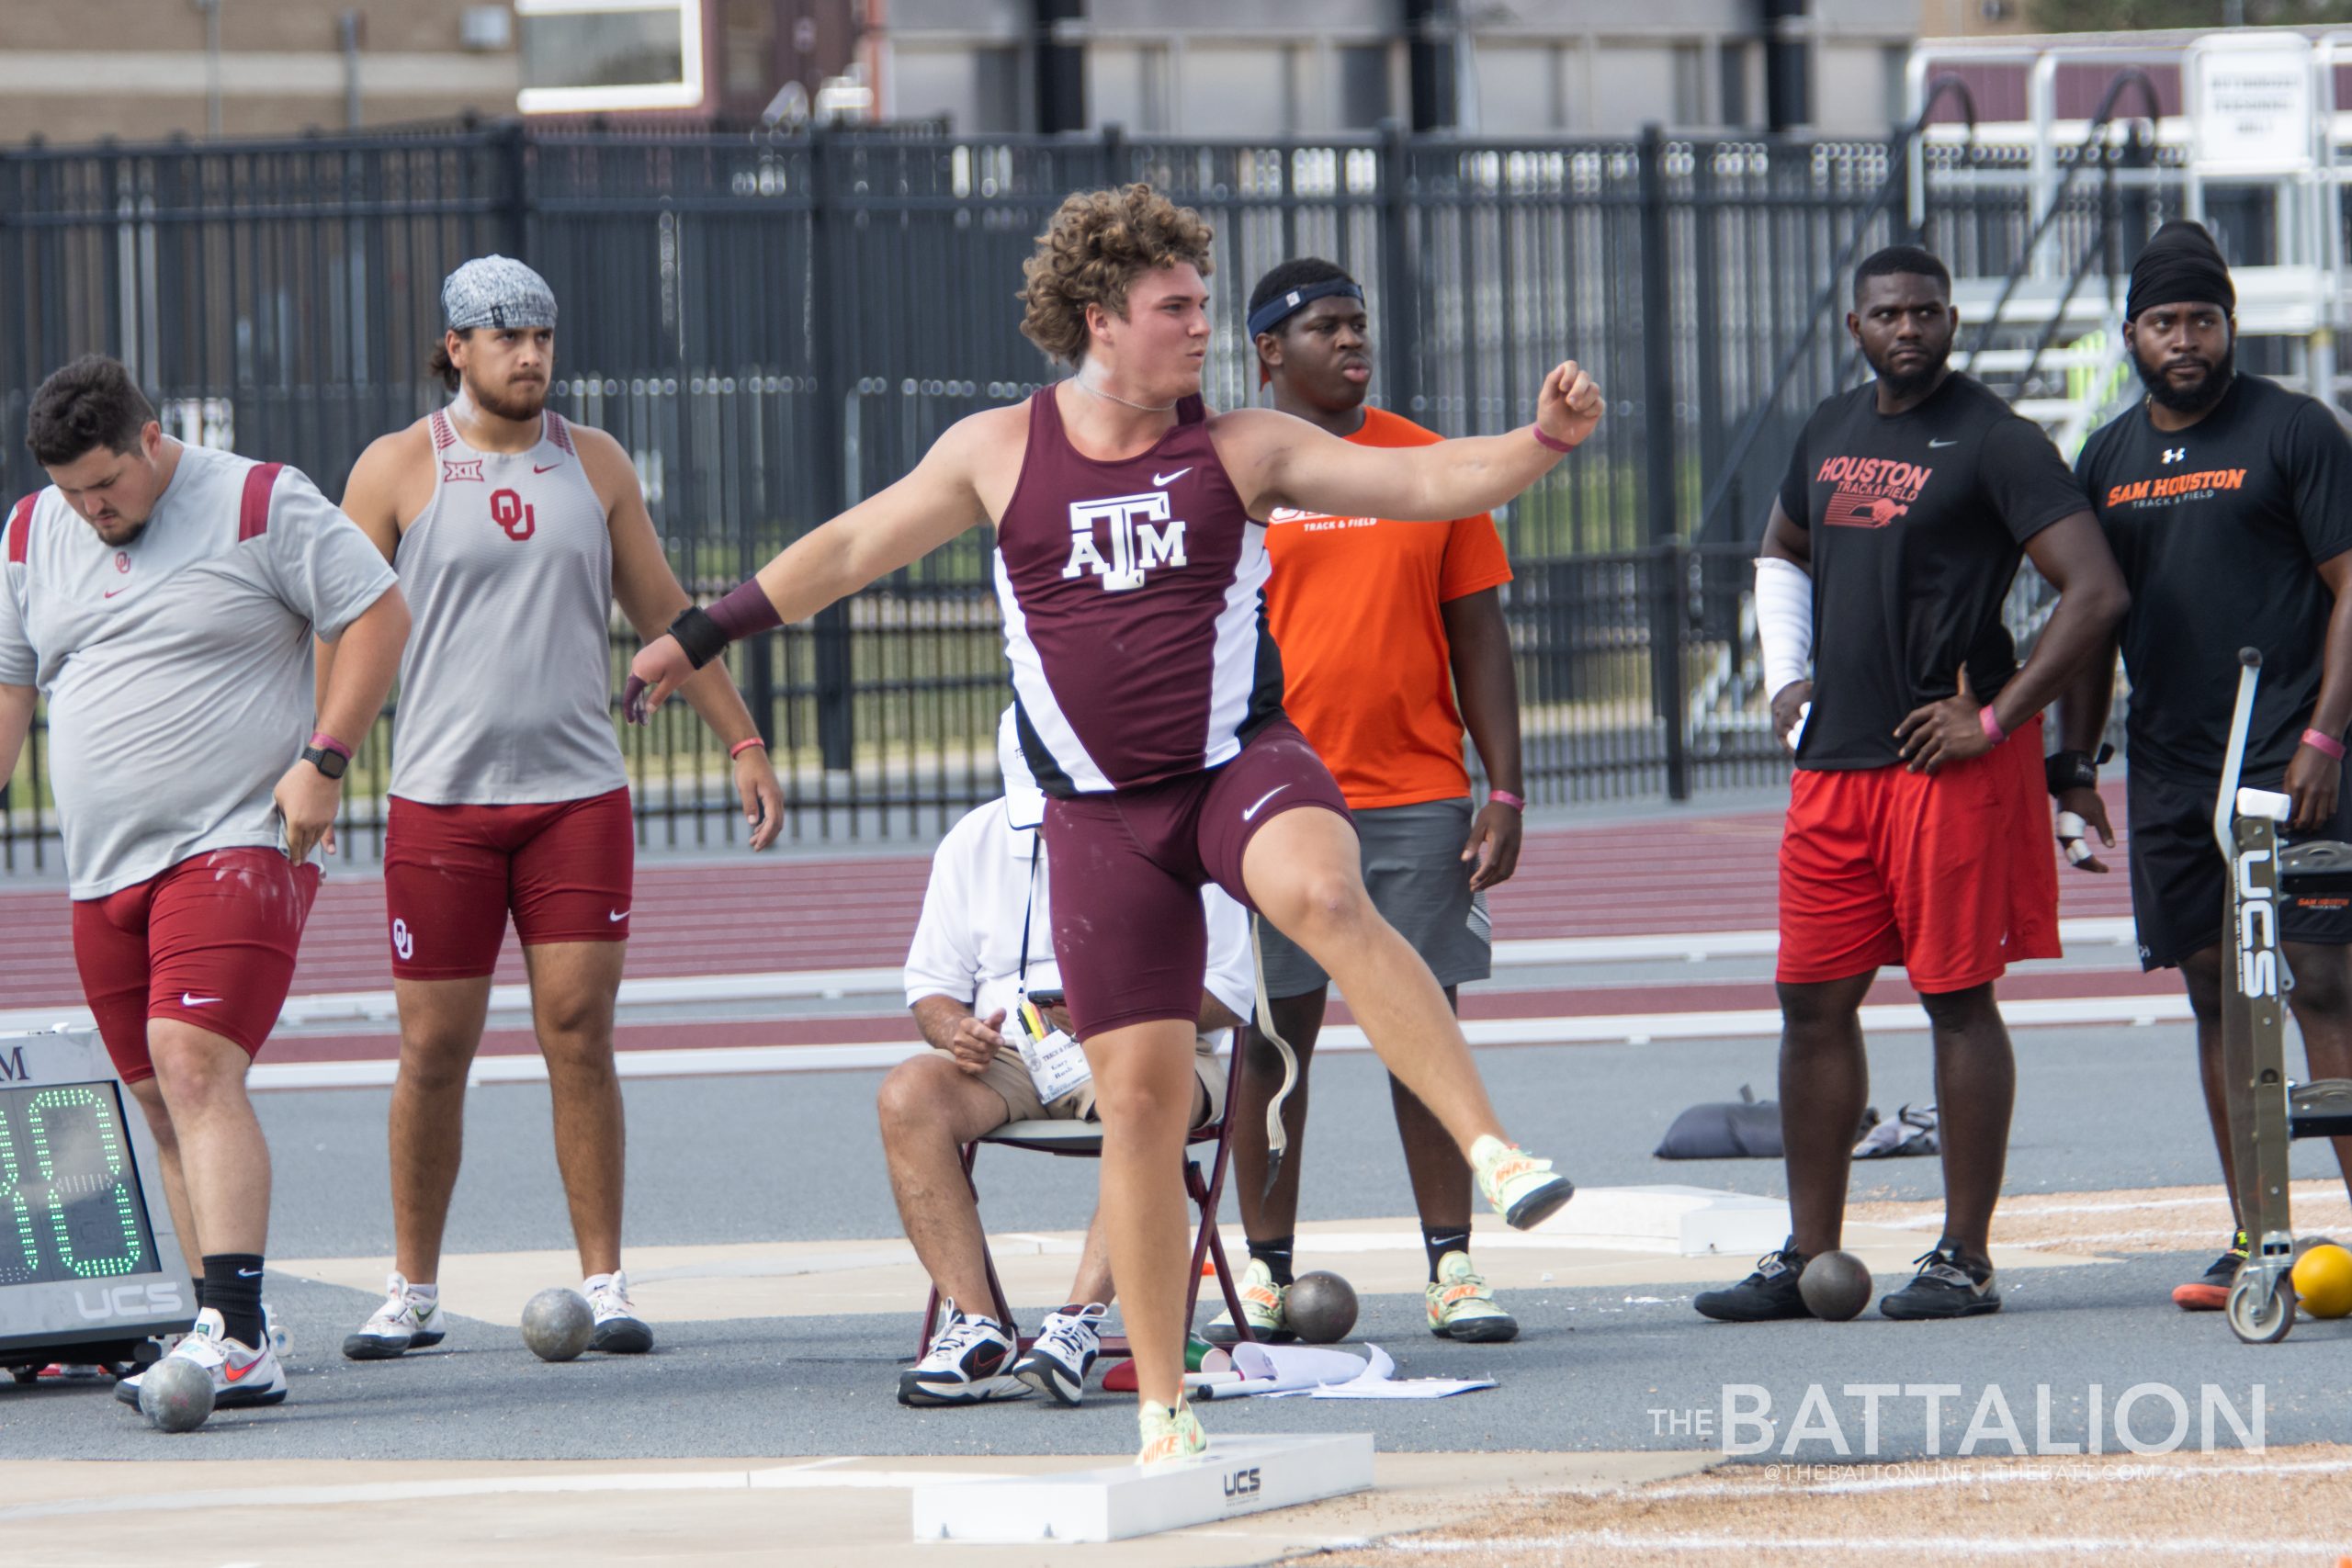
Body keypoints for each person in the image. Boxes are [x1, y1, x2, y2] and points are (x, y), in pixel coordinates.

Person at [624, 184, 1590, 1462]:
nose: (1203, 326)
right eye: (1176, 306)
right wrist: (693, 636)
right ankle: (1159, 1408)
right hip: (1100, 816)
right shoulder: (1000, 449)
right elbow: (848, 548)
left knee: (1324, 893)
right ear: (1100, 320)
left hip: (1236, 765)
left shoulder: (1246, 446)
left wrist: (1541, 444)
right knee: (1136, 1105)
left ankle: (1494, 1148)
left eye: (1204, 301)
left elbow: (1423, 480)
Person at [331, 257, 785, 1361]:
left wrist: (742, 736)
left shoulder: (595, 463)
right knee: (433, 1049)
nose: (530, 354)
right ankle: (412, 1290)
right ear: (456, 349)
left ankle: (607, 1280)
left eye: (542, 334)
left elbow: (669, 610)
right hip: (440, 802)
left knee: (578, 1035)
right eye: (504, 338)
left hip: (576, 798)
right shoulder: (395, 469)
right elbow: (337, 631)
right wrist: (319, 757)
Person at [1702, 244, 2129, 1325]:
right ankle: (1806, 1251)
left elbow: (2094, 594)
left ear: (1950, 320)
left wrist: (1994, 718)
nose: (1908, 328)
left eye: (1927, 312)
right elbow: (1781, 549)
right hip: (1835, 765)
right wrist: (1785, 672)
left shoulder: (1996, 439)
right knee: (1810, 1002)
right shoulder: (1831, 429)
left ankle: (1963, 1256)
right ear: (1857, 326)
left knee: (1953, 998)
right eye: (1888, 313)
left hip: (1947, 765)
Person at [0, 355, 408, 1410]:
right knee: (154, 1093)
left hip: (235, 841)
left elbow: (376, 613)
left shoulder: (258, 499)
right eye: (71, 492)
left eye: (107, 485)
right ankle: (231, 1328)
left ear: (149, 440)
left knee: (193, 1065)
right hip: (103, 865)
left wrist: (325, 758)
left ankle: (230, 1326)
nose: (92, 510)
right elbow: (10, 684)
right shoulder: (29, 531)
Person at [1208, 257, 1525, 1347]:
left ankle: (1451, 1269)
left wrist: (1506, 786)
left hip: (1416, 792)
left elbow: (1480, 630)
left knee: (1420, 1027)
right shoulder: (1235, 472)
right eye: (1328, 328)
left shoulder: (1422, 463)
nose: (1354, 343)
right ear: (1267, 350)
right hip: (1275, 802)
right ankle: (1263, 1269)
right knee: (1272, 1043)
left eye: (1360, 327)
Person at [2057, 220, 2352, 1310]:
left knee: (2322, 978)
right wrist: (2073, 761)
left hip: (2289, 751)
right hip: (2173, 767)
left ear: (2229, 324)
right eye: (2162, 321)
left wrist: (2322, 736)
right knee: (2214, 994)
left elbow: (2349, 585)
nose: (2183, 339)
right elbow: (2088, 618)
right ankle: (2256, 1231)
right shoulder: (2109, 458)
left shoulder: (2294, 431)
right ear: (2130, 332)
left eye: (2202, 319)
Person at [888, 708, 1250, 1407]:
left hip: (1156, 1037)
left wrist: (1113, 1010)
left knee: (1144, 1099)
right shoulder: (975, 839)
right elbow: (929, 986)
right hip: (1016, 1049)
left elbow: (1231, 992)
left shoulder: (1187, 833)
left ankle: (1077, 1323)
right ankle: (978, 1327)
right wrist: (955, 1028)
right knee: (907, 1095)